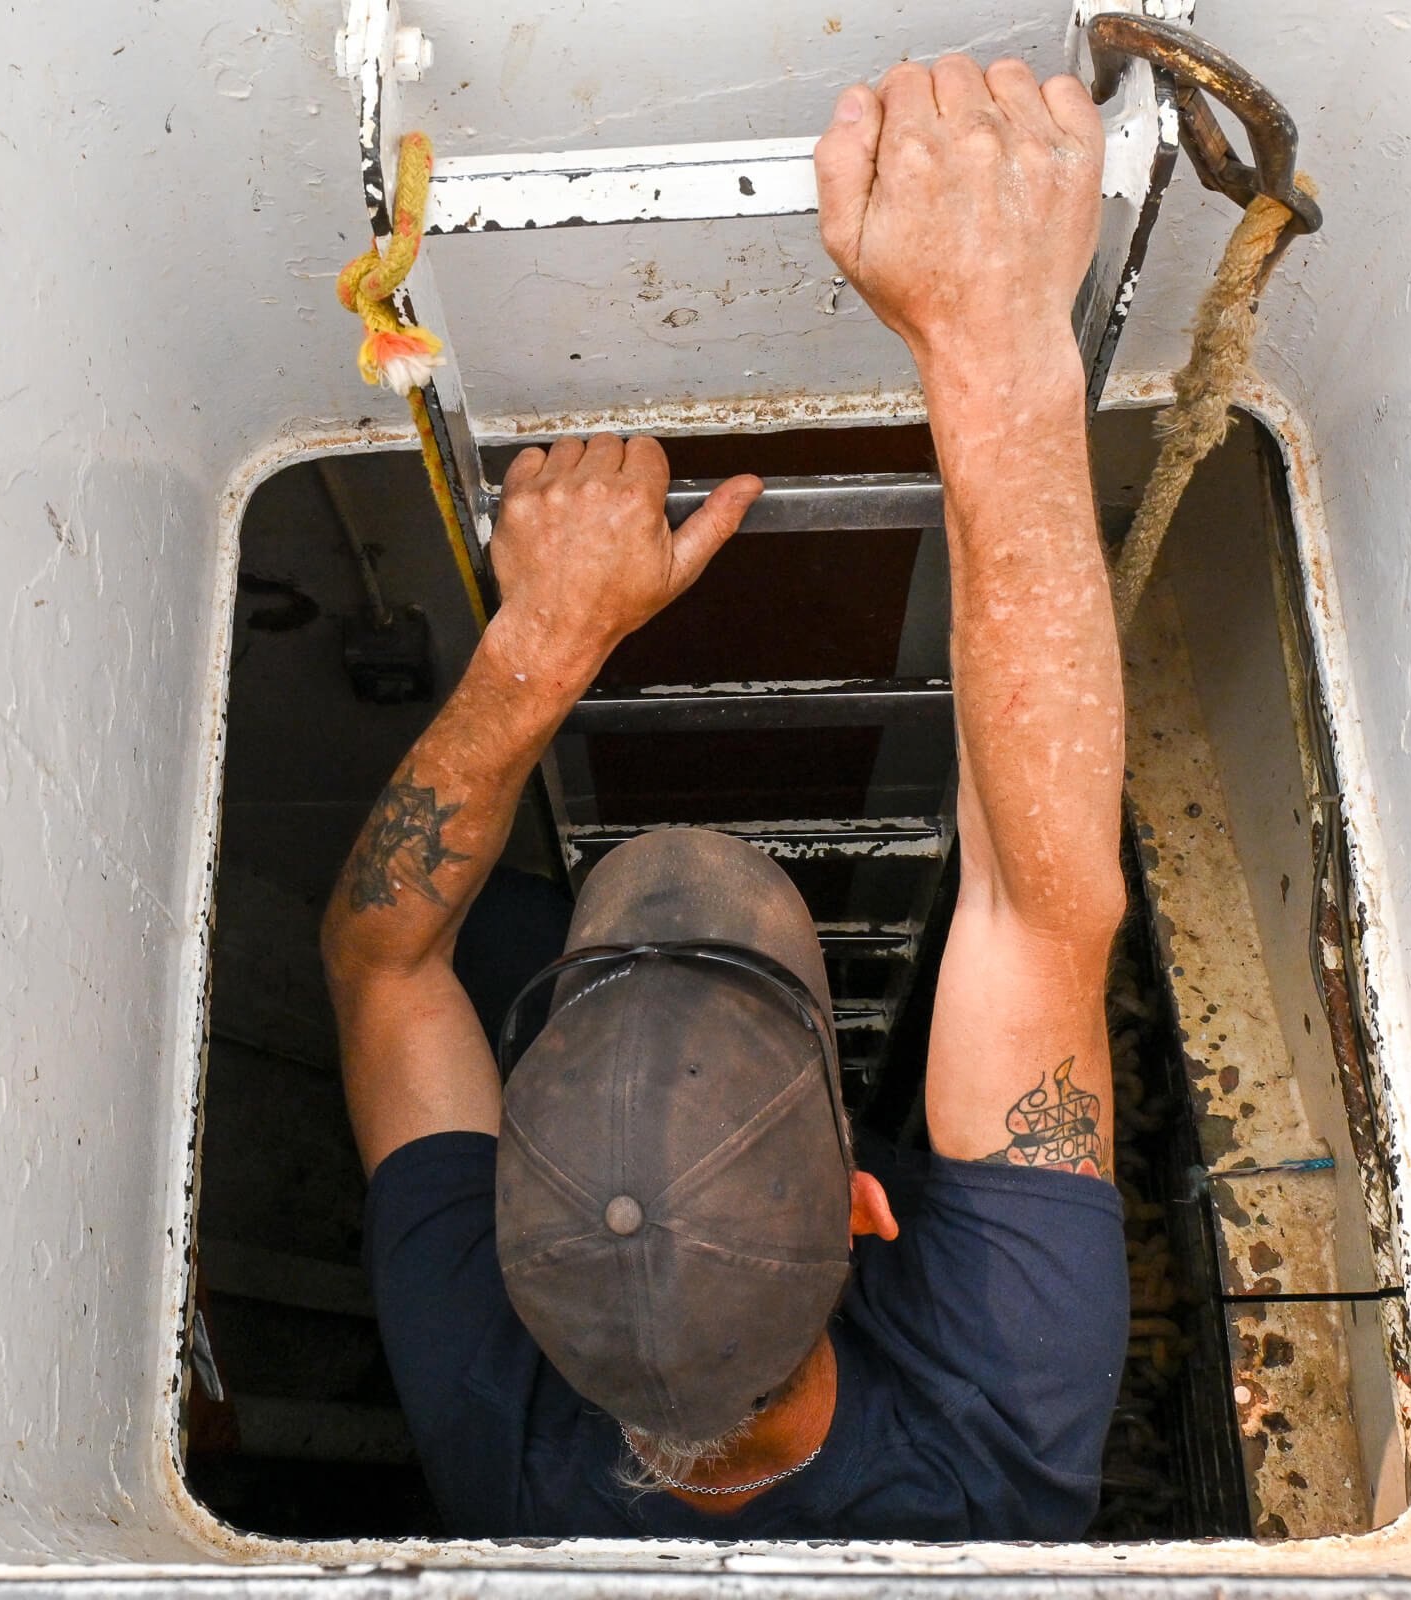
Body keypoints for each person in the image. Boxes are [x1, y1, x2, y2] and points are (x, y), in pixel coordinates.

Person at [321, 54, 1129, 1540]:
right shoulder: (999, 1418)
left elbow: (380, 960)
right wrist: (997, 342)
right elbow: (1036, 904)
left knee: (477, 921)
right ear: (870, 1209)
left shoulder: (494, 1414)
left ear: (505, 1246)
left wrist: (540, 645)